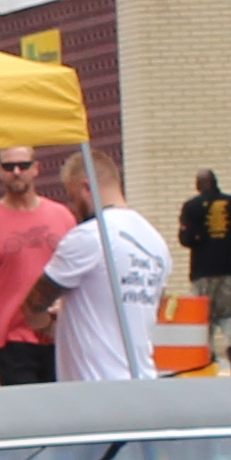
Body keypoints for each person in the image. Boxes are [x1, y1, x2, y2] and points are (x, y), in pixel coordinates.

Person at [42, 155, 177, 384]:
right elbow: (152, 305)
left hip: (96, 387)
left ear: (86, 187)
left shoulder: (91, 236)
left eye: (73, 197)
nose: (74, 208)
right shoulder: (156, 243)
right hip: (142, 378)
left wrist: (48, 323)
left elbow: (33, 304)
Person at [0, 149, 75, 389]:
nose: (16, 172)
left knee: (58, 411)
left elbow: (78, 272)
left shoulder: (62, 216)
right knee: (26, 411)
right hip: (10, 337)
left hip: (58, 333)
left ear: (36, 168)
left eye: (23, 165)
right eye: (9, 167)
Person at [175, 169, 231, 339]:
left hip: (202, 273)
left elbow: (185, 240)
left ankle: (207, 355)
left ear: (198, 185)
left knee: (204, 317)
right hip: (229, 270)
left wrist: (196, 237)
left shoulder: (191, 206)